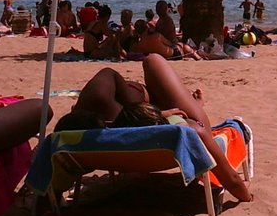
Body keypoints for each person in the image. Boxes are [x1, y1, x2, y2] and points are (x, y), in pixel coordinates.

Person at [54, 58, 252, 202]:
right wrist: (161, 113)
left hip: (146, 113)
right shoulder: (97, 99)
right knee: (151, 60)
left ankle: (188, 104)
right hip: (154, 109)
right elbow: (232, 180)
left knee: (151, 68)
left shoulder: (70, 147)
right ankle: (194, 104)